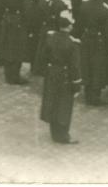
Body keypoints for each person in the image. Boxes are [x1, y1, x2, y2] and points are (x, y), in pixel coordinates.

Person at [35, 14, 82, 144]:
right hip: (65, 76)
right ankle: (62, 135)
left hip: (51, 73)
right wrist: (76, 84)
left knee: (53, 101)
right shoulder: (72, 44)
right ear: (69, 27)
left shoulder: (50, 38)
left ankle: (54, 132)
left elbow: (43, 56)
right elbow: (75, 67)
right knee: (64, 105)